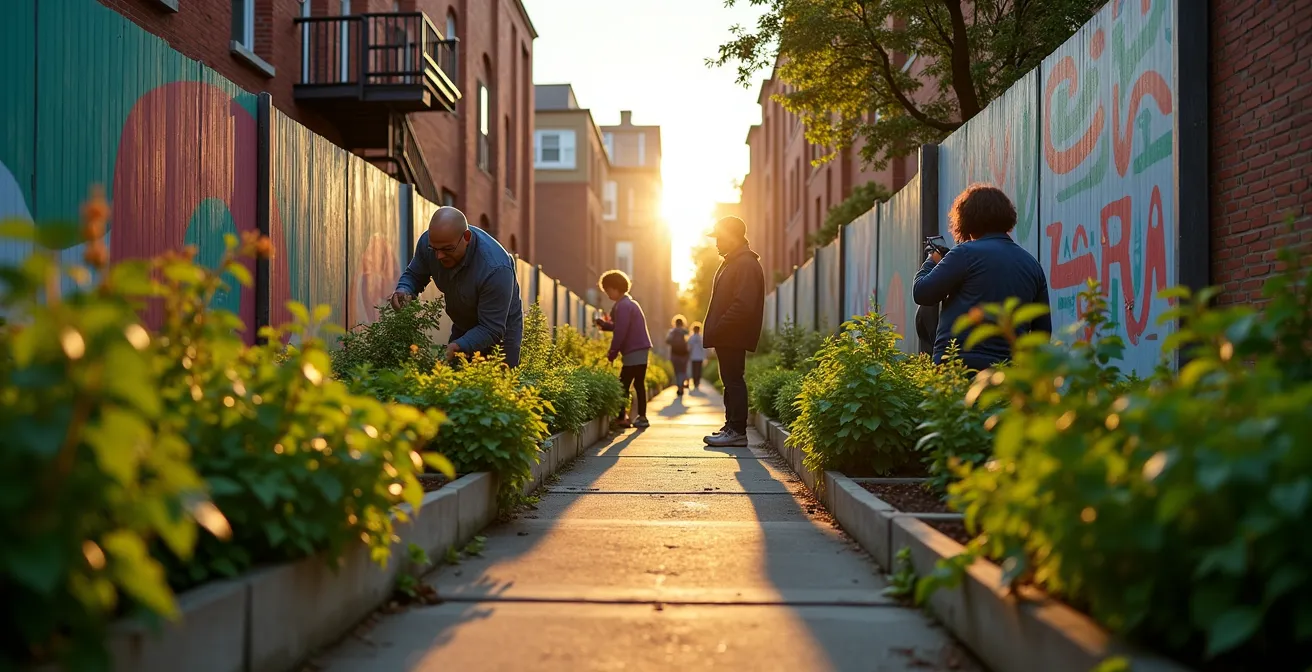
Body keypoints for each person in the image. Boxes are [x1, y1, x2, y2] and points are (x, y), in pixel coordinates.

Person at [913, 184, 1052, 371]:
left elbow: (922, 293)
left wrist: (932, 260)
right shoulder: (1032, 265)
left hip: (957, 365)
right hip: (1007, 372)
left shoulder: (964, 253)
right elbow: (1042, 333)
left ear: (965, 220)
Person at [391, 207, 524, 367]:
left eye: (447, 249)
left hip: (500, 332)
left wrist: (457, 346)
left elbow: (491, 328)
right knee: (453, 378)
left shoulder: (495, 268)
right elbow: (415, 275)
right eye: (435, 249)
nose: (439, 256)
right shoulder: (429, 244)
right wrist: (404, 289)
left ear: (466, 237)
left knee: (498, 383)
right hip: (463, 323)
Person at [700, 216, 765, 448]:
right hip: (728, 333)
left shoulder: (745, 264)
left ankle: (737, 430)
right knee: (729, 380)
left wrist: (721, 326)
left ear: (733, 237)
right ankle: (731, 426)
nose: (716, 242)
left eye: (720, 237)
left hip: (732, 333)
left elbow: (744, 304)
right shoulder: (733, 261)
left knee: (733, 380)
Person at [594, 269, 653, 429]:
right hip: (641, 349)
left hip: (633, 351)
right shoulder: (629, 304)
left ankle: (623, 417)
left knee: (623, 385)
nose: (607, 294)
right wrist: (605, 325)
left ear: (615, 288)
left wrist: (612, 352)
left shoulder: (624, 306)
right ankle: (641, 416)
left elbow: (621, 331)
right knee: (638, 384)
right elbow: (620, 326)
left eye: (607, 290)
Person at [666, 315, 691, 396]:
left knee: (677, 372)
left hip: (674, 354)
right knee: (683, 371)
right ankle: (681, 387)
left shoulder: (672, 332)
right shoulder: (685, 332)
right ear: (683, 323)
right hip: (684, 354)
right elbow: (689, 343)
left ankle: (679, 387)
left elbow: (667, 341)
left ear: (674, 323)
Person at [688, 322, 707, 389]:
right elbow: (704, 348)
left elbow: (689, 348)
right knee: (699, 370)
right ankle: (697, 382)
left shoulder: (691, 338)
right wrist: (705, 356)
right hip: (700, 357)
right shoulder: (701, 338)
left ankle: (695, 381)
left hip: (693, 356)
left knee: (694, 370)